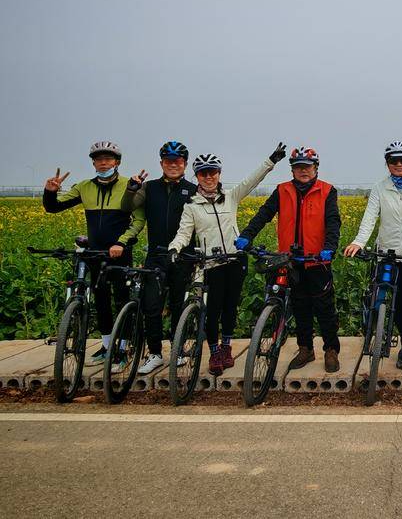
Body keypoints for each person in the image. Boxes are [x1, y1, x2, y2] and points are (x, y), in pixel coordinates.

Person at [168, 143, 285, 376]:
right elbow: (183, 233)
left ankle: (226, 348)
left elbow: (251, 181)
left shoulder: (230, 197)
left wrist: (271, 160)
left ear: (219, 174)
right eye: (203, 173)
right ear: (197, 176)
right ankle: (214, 352)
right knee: (213, 310)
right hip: (212, 263)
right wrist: (175, 247)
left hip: (235, 259)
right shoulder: (192, 206)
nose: (208, 177)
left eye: (212, 172)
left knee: (230, 307)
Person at [235, 147, 342, 373]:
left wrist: (329, 248)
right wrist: (247, 235)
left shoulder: (327, 191)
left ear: (316, 168)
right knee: (300, 306)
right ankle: (305, 349)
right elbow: (263, 214)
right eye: (298, 167)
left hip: (317, 260)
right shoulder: (282, 190)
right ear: (292, 170)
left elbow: (333, 222)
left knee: (324, 308)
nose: (303, 170)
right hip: (291, 260)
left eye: (307, 166)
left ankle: (331, 350)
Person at [42, 141, 145, 365]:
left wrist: (122, 243)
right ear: (93, 163)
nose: (103, 163)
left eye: (108, 159)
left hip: (119, 251)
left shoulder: (129, 185)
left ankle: (123, 348)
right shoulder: (84, 187)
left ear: (117, 162)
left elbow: (138, 221)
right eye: (98, 159)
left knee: (121, 298)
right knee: (100, 299)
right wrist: (50, 192)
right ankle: (106, 346)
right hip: (95, 251)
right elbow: (53, 207)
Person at [343, 141, 402, 377]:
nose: (399, 164)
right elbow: (370, 217)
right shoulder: (380, 188)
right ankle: (376, 330)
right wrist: (359, 241)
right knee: (378, 298)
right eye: (393, 160)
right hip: (387, 255)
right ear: (387, 164)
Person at [119, 141, 197, 375]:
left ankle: (177, 349)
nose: (173, 165)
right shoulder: (149, 187)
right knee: (151, 306)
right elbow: (127, 207)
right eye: (168, 161)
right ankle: (154, 353)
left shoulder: (193, 190)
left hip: (183, 256)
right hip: (156, 255)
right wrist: (132, 188)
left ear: (185, 164)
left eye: (178, 161)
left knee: (178, 305)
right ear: (161, 163)